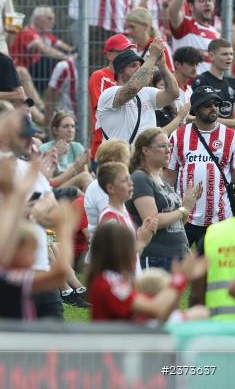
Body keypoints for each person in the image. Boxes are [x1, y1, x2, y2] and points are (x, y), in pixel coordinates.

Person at [88, 222, 205, 321]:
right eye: (130, 245)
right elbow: (156, 309)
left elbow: (160, 312)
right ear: (121, 252)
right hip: (115, 346)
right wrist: (180, 279)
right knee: (200, 313)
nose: (133, 250)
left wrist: (141, 242)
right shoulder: (108, 284)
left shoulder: (110, 278)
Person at [168, 86, 235, 246]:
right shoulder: (178, 136)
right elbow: (169, 177)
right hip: (184, 216)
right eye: (207, 104)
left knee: (213, 267)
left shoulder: (231, 137)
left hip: (220, 218)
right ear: (196, 109)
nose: (213, 107)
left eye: (216, 103)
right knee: (181, 265)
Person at [128, 128, 198, 271]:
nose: (168, 150)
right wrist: (183, 209)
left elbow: (177, 223)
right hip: (155, 256)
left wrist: (187, 206)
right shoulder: (140, 178)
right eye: (162, 146)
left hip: (175, 256)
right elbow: (152, 220)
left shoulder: (161, 181)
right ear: (145, 150)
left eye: (169, 146)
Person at [96, 43, 178, 146]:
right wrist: (152, 57)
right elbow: (133, 87)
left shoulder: (148, 92)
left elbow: (173, 93)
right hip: (120, 159)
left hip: (145, 159)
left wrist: (162, 66)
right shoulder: (109, 93)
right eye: (133, 65)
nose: (139, 68)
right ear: (120, 71)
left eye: (141, 65)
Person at [89, 34, 135, 160]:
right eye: (122, 51)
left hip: (127, 148)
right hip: (105, 147)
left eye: (129, 51)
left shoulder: (131, 78)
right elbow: (106, 109)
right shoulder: (99, 76)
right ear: (109, 55)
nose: (127, 55)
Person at [10, 6, 75, 91]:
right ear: (38, 19)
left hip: (35, 71)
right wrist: (67, 57)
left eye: (53, 19)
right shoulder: (28, 32)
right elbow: (44, 49)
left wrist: (73, 52)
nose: (53, 22)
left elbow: (62, 45)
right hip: (21, 71)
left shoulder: (46, 34)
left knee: (64, 61)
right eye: (49, 18)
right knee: (50, 60)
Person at [168, 0, 220, 74]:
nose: (207, 3)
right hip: (189, 88)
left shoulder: (216, 34)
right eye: (202, 1)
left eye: (209, 0)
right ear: (191, 6)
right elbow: (173, 12)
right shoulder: (185, 25)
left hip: (211, 88)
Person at [39, 112, 92, 192]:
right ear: (55, 130)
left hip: (74, 190)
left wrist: (83, 165)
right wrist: (74, 166)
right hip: (52, 191)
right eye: (66, 126)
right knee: (84, 177)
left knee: (86, 177)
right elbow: (48, 182)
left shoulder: (77, 147)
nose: (70, 130)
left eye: (73, 126)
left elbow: (85, 175)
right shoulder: (45, 149)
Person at [193, 39, 235, 126]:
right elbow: (201, 117)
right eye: (225, 54)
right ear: (211, 56)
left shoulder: (232, 82)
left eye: (231, 54)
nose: (229, 57)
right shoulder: (201, 81)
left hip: (228, 135)